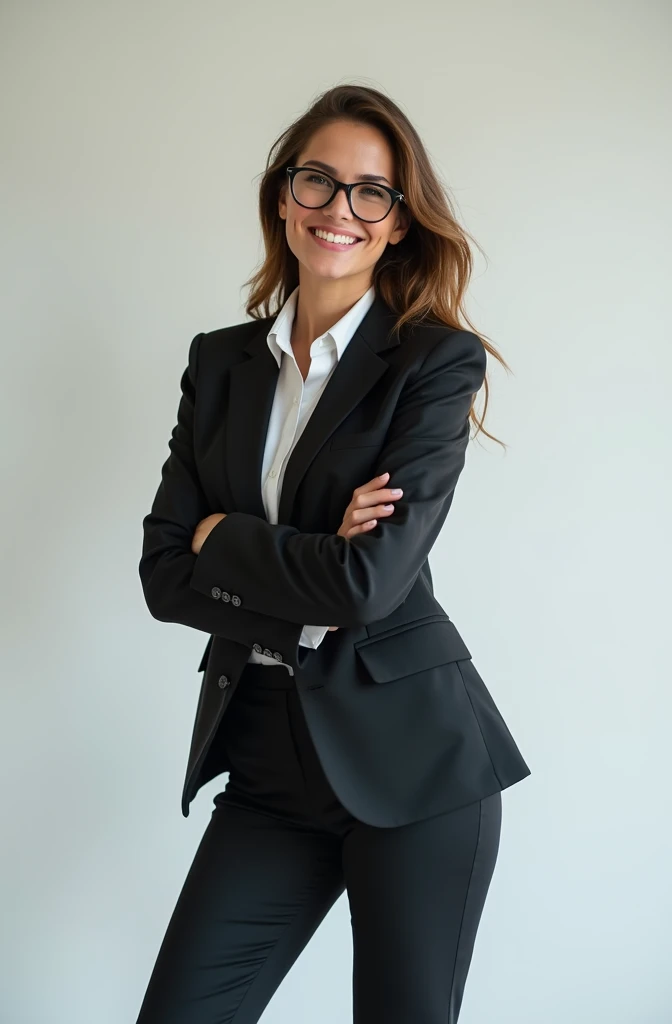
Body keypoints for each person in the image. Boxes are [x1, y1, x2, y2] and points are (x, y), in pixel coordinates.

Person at [136, 83, 531, 1024]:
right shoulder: (220, 363)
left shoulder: (434, 363)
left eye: (371, 192)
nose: (338, 210)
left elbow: (368, 583)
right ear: (283, 196)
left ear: (399, 223)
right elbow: (162, 575)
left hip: (416, 764)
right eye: (318, 181)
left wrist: (225, 540)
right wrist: (301, 563)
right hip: (269, 758)